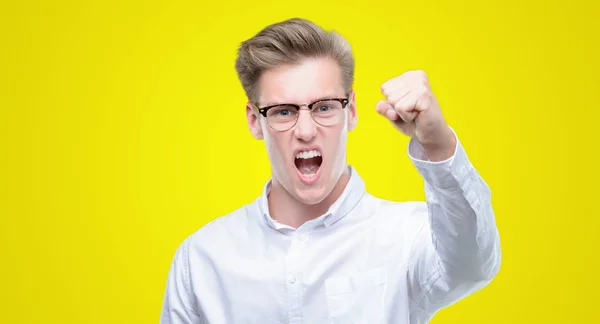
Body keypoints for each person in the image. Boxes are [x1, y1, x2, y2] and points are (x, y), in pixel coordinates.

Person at [160, 18, 501, 324]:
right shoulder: (202, 259)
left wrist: (438, 143)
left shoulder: (407, 237)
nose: (305, 130)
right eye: (283, 112)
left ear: (350, 111)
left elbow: (472, 265)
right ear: (254, 120)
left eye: (324, 107)